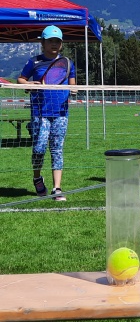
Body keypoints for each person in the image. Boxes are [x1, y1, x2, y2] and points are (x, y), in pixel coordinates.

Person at [17, 25, 76, 201]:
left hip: (61, 113)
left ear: (61, 44)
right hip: (39, 113)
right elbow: (21, 79)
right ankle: (37, 177)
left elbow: (73, 84)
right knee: (39, 148)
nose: (54, 44)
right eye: (50, 41)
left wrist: (74, 90)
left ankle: (57, 188)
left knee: (57, 150)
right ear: (42, 43)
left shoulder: (67, 63)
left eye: (57, 41)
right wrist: (28, 84)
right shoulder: (34, 62)